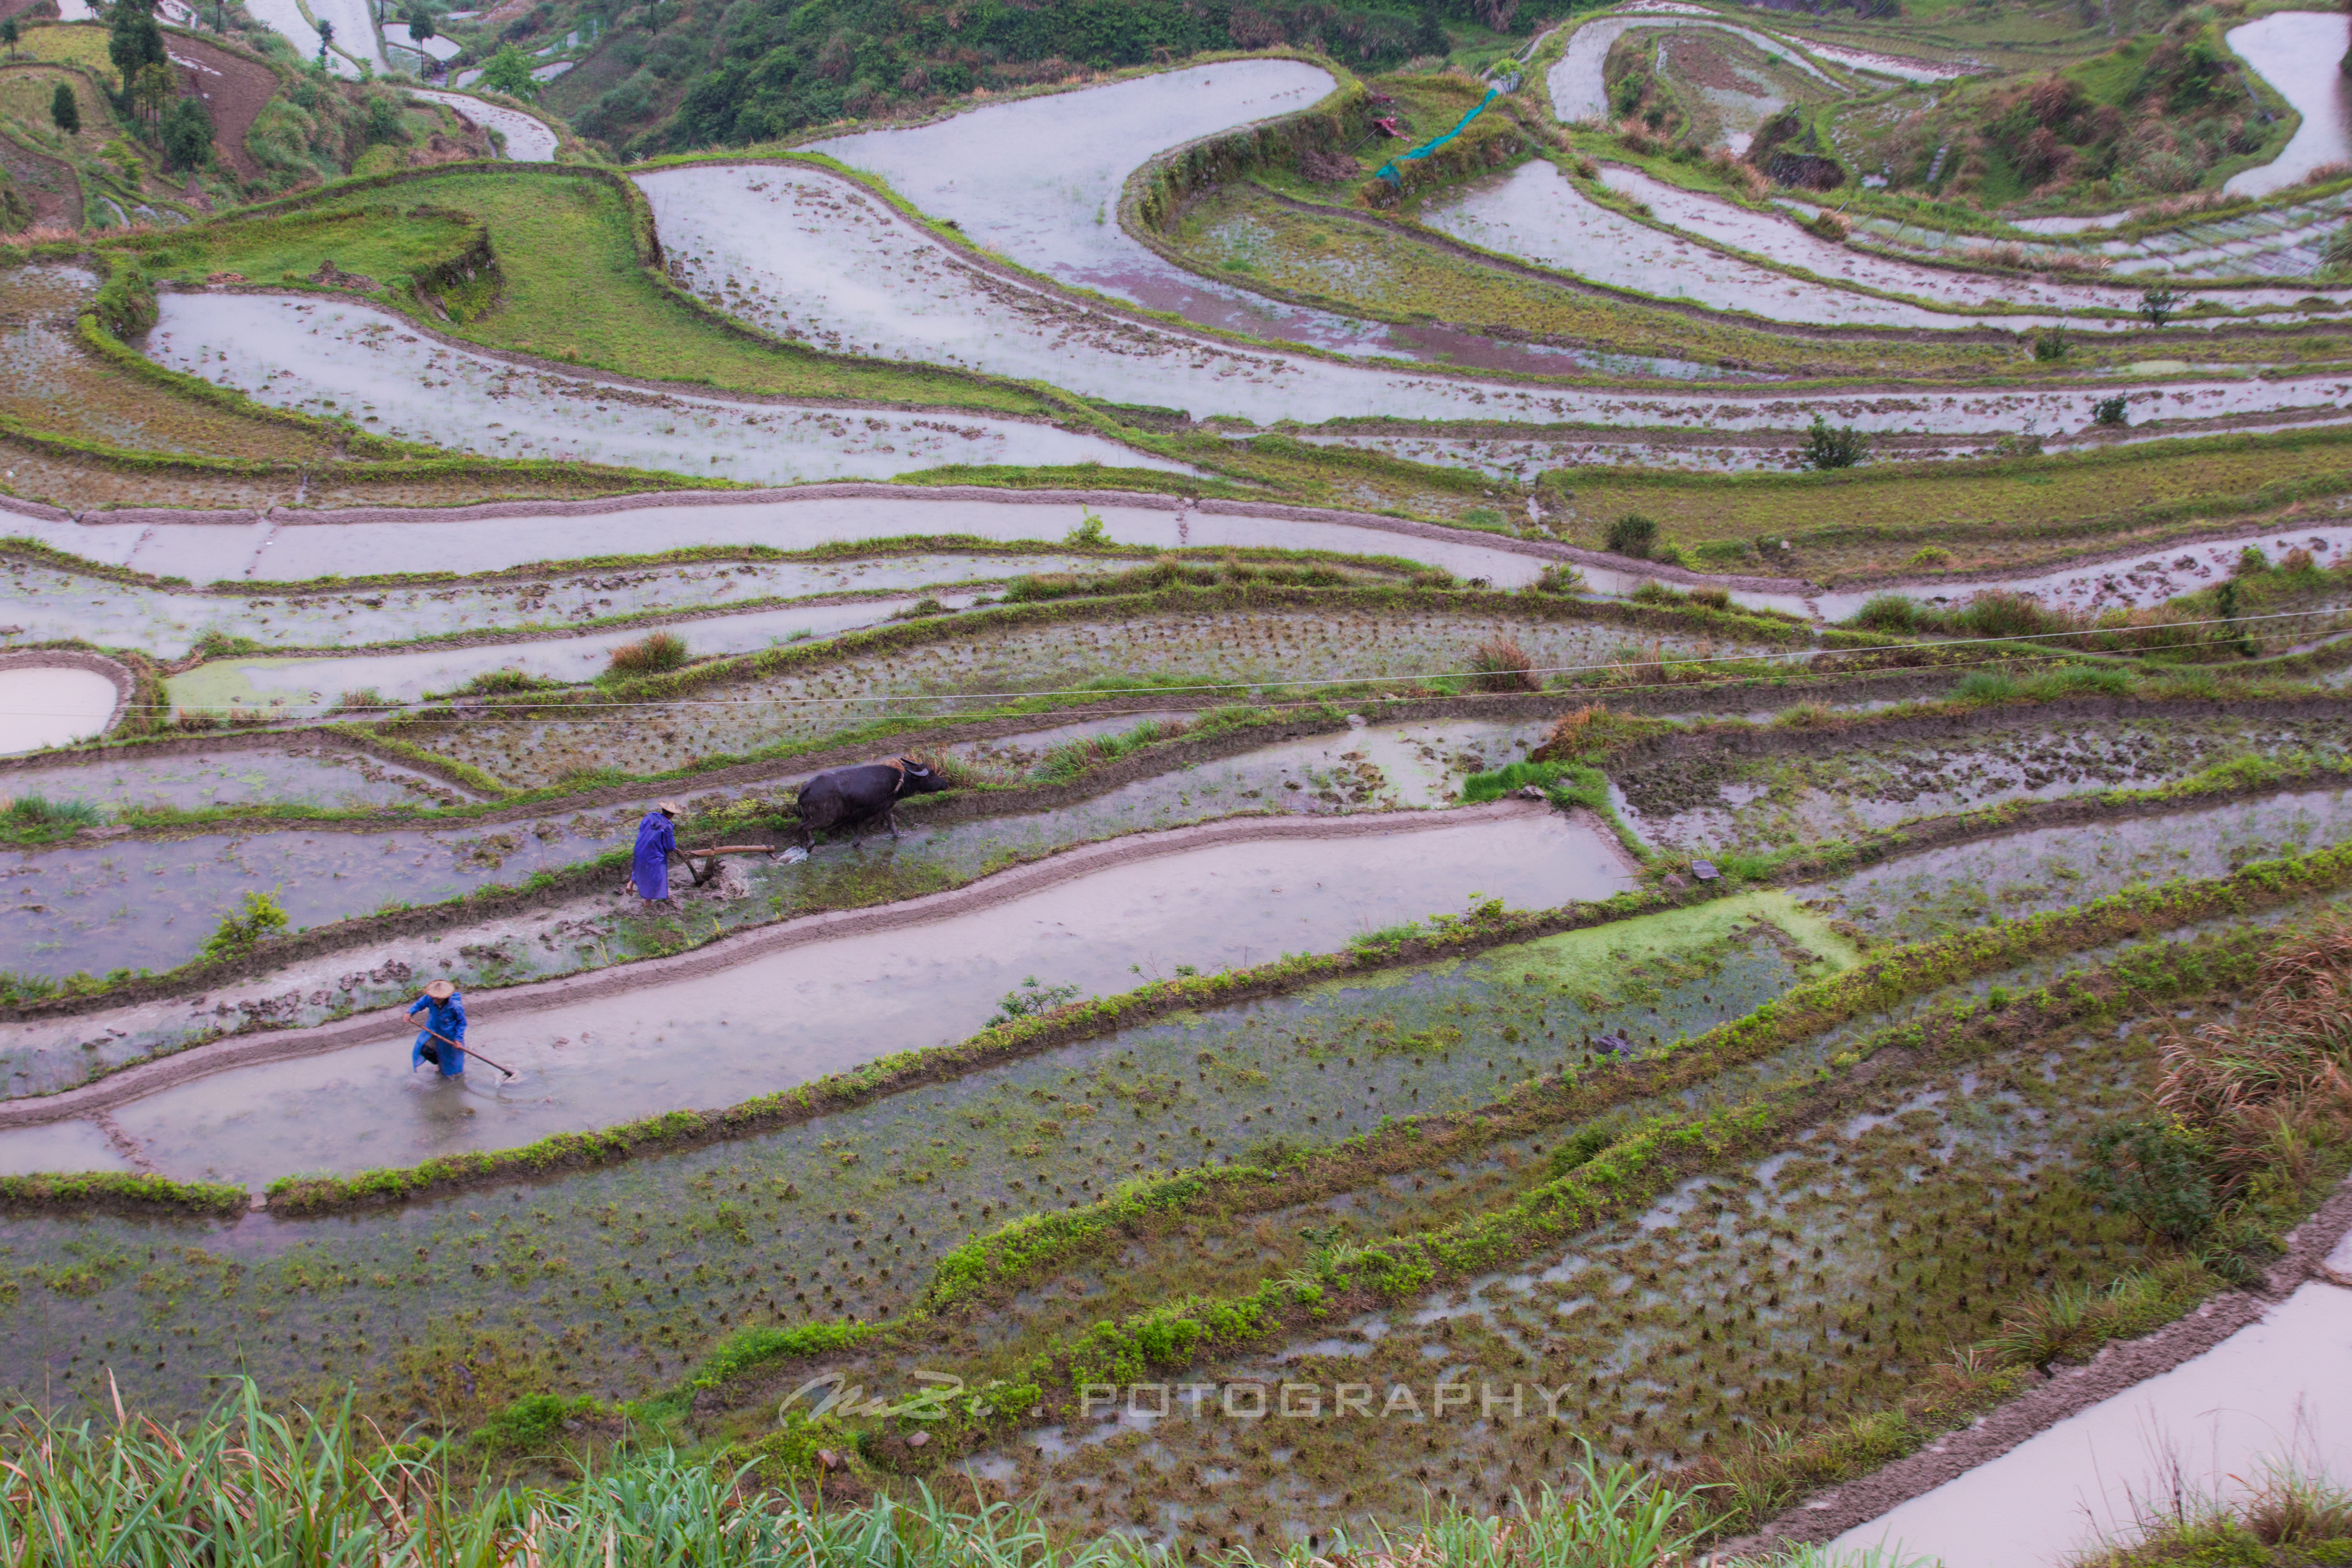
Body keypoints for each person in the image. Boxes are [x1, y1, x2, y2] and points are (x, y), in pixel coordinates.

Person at [409, 979, 467, 1078]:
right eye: (434, 998)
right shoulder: (430, 999)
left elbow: (462, 1023)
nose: (435, 1000)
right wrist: (410, 1012)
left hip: (448, 1035)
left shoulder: (455, 1007)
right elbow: (420, 1004)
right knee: (424, 1049)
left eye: (438, 999)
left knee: (451, 1060)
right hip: (432, 1031)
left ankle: (448, 1071)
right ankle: (438, 1062)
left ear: (445, 997)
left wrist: (458, 1039)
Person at [632, 800, 684, 907]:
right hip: (654, 855)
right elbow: (670, 847)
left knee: (642, 871)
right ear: (671, 814)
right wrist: (674, 849)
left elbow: (642, 830)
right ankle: (648, 902)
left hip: (641, 848)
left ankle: (632, 886)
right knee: (656, 877)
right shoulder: (667, 826)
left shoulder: (650, 817)